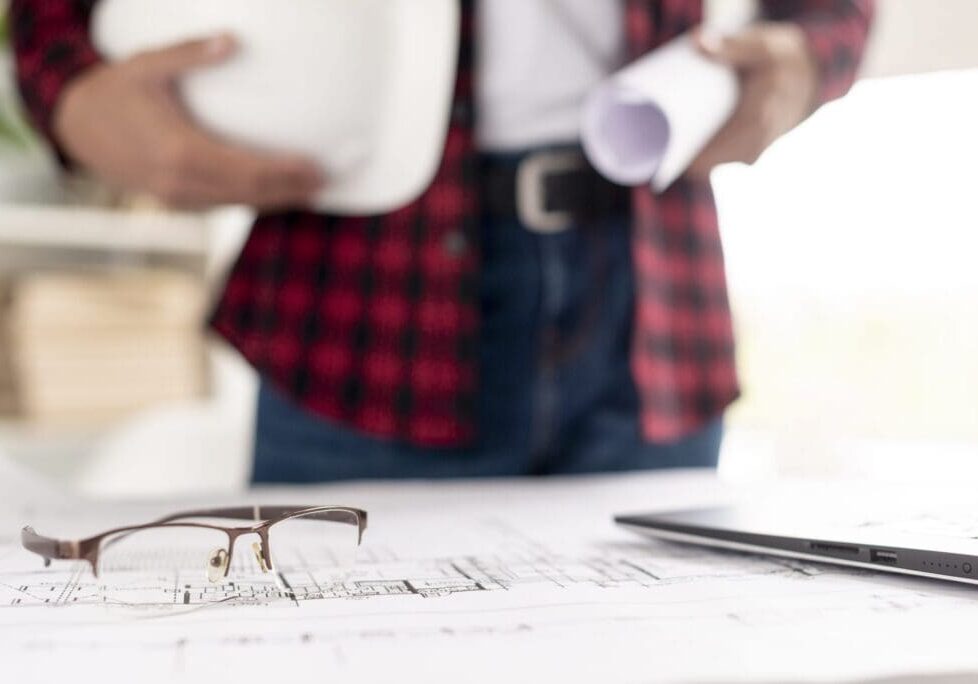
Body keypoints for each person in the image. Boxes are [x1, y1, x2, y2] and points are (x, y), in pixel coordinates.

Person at [10, 0, 873, 483]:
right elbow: (51, 24)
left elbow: (833, 13)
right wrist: (75, 100)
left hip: (653, 290)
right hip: (358, 296)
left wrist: (807, 56)